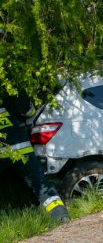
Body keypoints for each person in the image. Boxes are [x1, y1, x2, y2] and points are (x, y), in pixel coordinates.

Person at [0, 91, 70, 222]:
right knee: (40, 185)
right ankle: (61, 216)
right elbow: (28, 111)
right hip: (21, 149)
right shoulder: (7, 88)